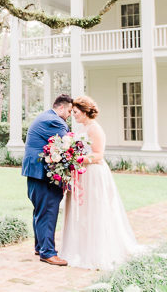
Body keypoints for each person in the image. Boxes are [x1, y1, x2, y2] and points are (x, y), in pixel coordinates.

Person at [59, 95, 141, 270]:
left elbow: (98, 155)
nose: (73, 115)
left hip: (93, 174)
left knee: (93, 209)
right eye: (72, 112)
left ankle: (96, 250)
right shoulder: (82, 128)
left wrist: (76, 159)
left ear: (84, 111)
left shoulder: (95, 129)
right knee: (81, 211)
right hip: (81, 173)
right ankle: (79, 248)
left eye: (75, 112)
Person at [22, 94, 73, 266]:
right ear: (61, 108)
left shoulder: (44, 117)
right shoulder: (56, 122)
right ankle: (48, 252)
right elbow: (67, 147)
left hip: (35, 173)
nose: (69, 115)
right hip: (43, 175)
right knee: (48, 211)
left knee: (41, 210)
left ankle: (40, 246)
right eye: (69, 111)